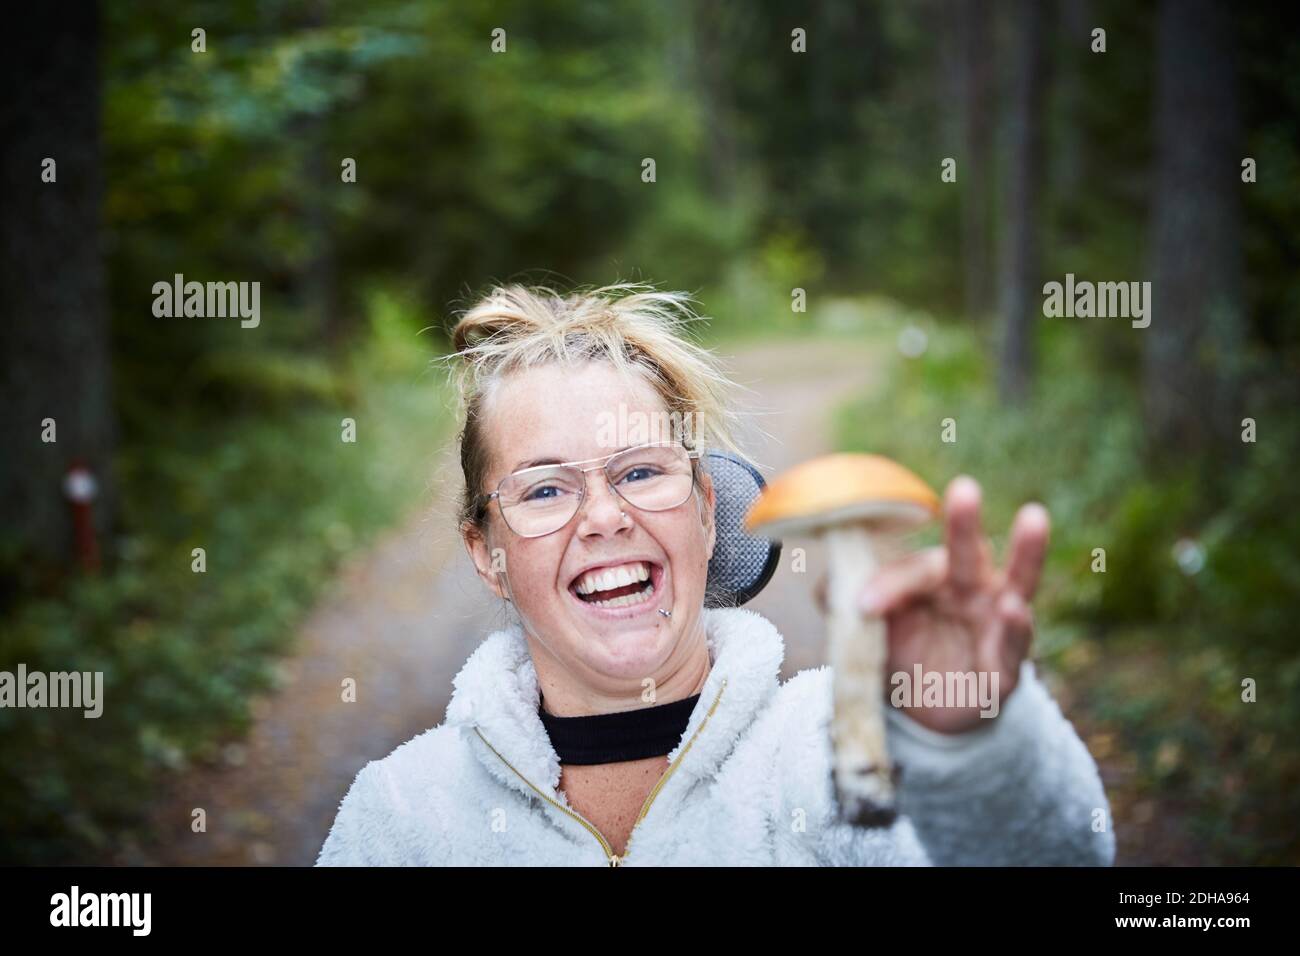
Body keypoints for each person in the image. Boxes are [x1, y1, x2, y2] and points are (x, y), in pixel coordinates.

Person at [316, 282, 1115, 866]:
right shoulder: (402, 818)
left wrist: (975, 746)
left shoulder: (831, 747)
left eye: (639, 472)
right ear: (487, 553)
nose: (603, 517)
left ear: (706, 511)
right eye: (546, 488)